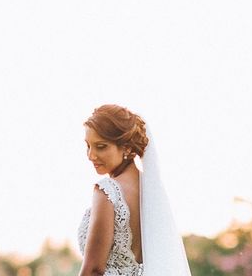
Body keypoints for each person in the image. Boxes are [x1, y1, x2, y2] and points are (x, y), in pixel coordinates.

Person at [77, 104, 192, 276]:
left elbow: (94, 269)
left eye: (101, 146)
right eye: (88, 146)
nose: (91, 155)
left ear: (127, 147)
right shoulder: (152, 192)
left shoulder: (108, 191)